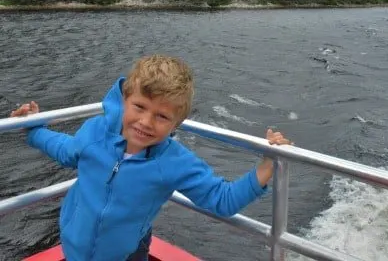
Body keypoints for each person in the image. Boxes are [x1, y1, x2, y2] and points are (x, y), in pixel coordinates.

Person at [10, 54, 292, 261]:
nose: (146, 122)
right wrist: (34, 128)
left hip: (127, 254)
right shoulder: (95, 132)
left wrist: (267, 165)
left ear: (176, 123)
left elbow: (222, 199)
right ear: (124, 99)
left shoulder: (173, 162)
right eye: (140, 107)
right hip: (73, 247)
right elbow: (64, 148)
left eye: (161, 116)